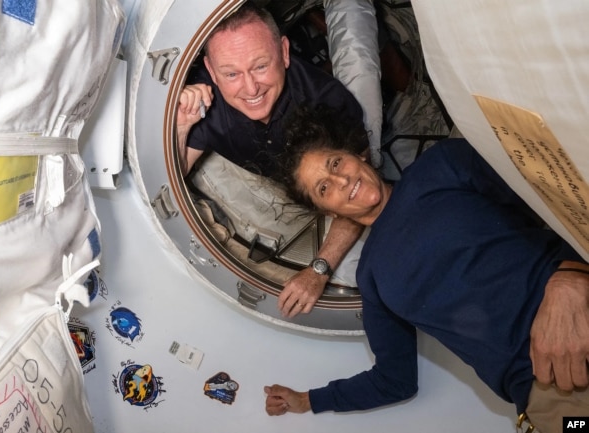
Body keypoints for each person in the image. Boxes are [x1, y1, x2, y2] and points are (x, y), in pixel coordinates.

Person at [264, 106, 589, 433]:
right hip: (553, 392)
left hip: (579, 311)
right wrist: (308, 400)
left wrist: (571, 277)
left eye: (336, 163)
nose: (341, 179)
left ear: (358, 155)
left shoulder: (442, 164)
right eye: (324, 188)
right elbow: (394, 380)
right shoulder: (372, 278)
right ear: (327, 211)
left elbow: (558, 199)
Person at [176, 1, 370, 317]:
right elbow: (173, 175)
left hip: (324, 182)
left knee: (360, 66)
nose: (250, 87)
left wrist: (318, 270)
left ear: (283, 51)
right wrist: (183, 124)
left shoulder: (329, 102)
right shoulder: (204, 99)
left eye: (261, 66)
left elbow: (362, 193)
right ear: (211, 70)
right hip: (269, 180)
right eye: (231, 73)